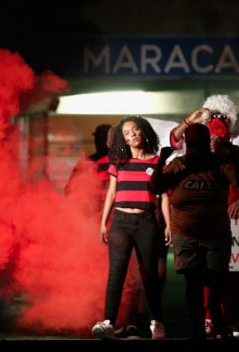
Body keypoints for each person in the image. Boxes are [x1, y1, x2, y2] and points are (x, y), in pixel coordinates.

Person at [150, 123, 239, 340]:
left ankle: (215, 313)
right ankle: (198, 330)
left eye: (199, 145)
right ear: (186, 146)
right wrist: (161, 161)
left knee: (217, 282)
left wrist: (229, 156)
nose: (194, 151)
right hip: (186, 234)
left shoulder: (220, 164)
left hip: (216, 235)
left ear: (207, 145)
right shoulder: (178, 165)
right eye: (191, 145)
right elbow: (156, 187)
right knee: (193, 284)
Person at [91, 116, 171, 340]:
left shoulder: (156, 162)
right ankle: (108, 323)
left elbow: (163, 195)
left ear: (143, 132)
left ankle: (157, 323)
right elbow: (111, 193)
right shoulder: (118, 162)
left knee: (149, 276)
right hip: (120, 223)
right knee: (116, 274)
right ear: (123, 139)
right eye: (127, 133)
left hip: (146, 222)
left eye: (135, 130)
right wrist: (104, 222)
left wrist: (168, 224)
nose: (132, 135)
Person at [202, 113, 239, 338]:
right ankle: (209, 318)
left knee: (237, 273)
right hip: (209, 219)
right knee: (209, 272)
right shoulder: (199, 157)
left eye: (220, 140)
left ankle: (228, 320)